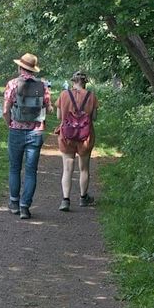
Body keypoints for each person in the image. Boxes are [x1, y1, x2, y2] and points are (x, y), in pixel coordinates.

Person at [3, 52, 52, 219]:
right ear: (33, 69)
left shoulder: (12, 84)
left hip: (16, 130)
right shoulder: (43, 85)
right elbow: (48, 108)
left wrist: (10, 124)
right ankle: (25, 207)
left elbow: (5, 110)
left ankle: (14, 203)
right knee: (31, 171)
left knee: (14, 168)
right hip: (36, 132)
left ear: (20, 67)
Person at [57, 71, 98, 211]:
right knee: (84, 168)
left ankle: (65, 200)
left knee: (67, 168)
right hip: (85, 137)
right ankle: (83, 197)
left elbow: (59, 116)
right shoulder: (91, 96)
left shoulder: (64, 95)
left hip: (67, 136)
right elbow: (94, 117)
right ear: (85, 82)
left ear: (72, 81)